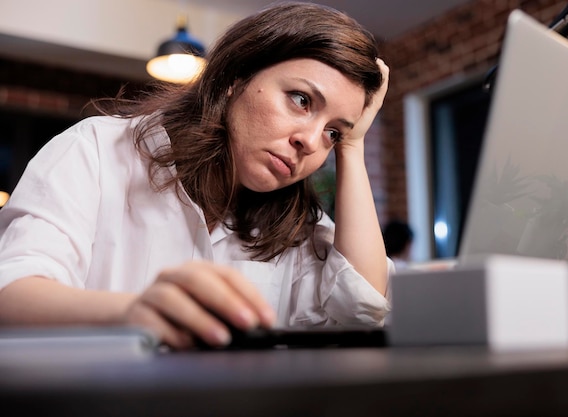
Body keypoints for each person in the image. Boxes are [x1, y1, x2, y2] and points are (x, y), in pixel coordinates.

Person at [0, 2, 392, 350]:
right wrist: (131, 313)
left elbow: (361, 310)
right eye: (301, 99)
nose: (310, 141)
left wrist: (353, 147)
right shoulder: (96, 151)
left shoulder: (295, 224)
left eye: (332, 132)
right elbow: (10, 292)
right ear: (235, 79)